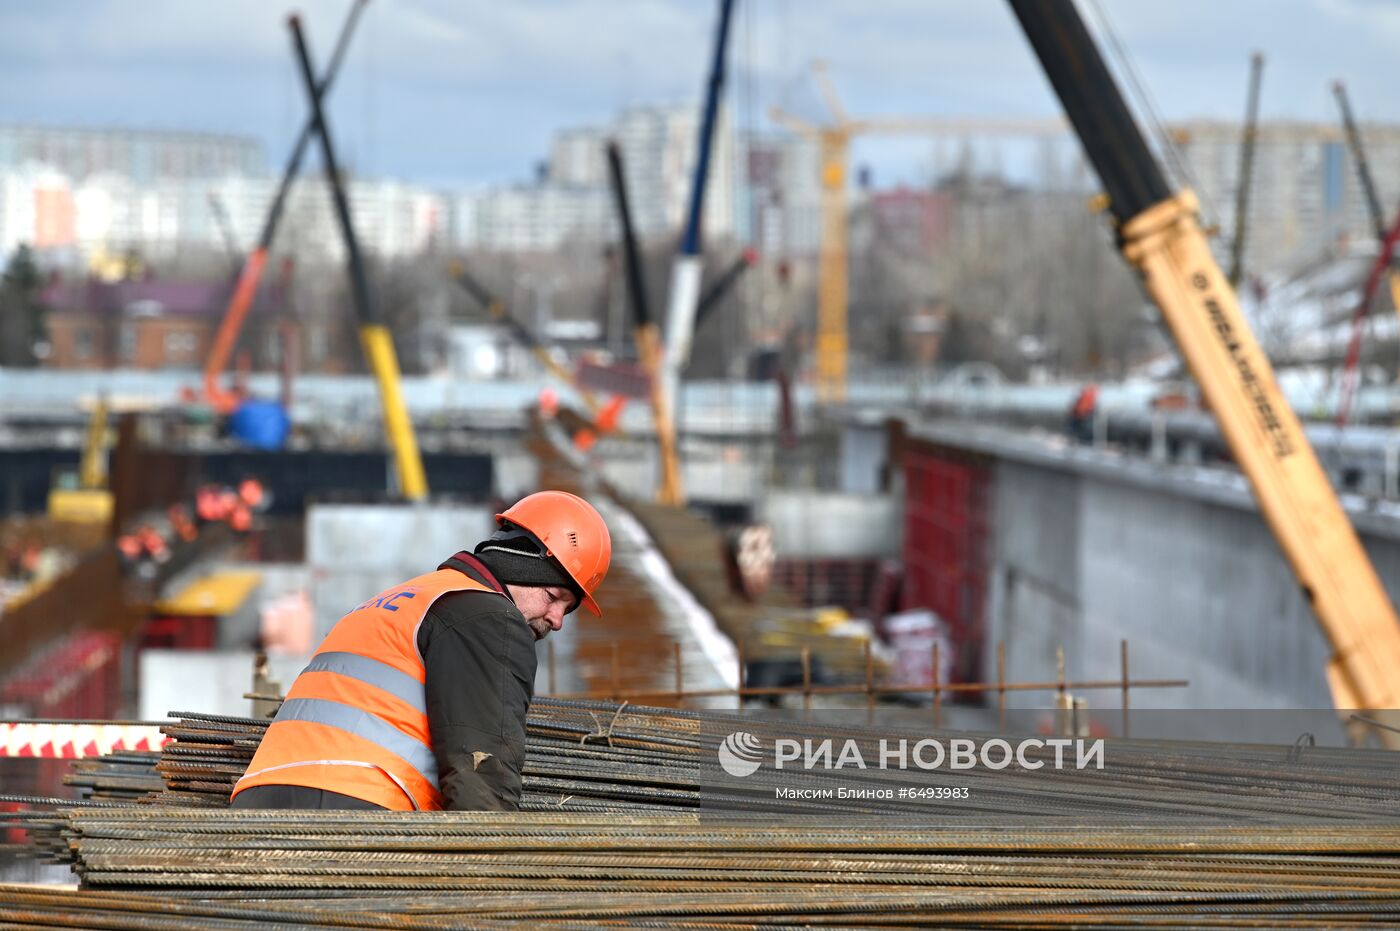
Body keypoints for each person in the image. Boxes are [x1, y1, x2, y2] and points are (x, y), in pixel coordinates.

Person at [230, 490, 610, 813]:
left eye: (567, 609)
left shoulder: (399, 600)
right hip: (354, 803)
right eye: (554, 597)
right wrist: (486, 876)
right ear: (524, 565)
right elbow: (482, 770)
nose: (557, 620)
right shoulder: (488, 616)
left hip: (258, 798)